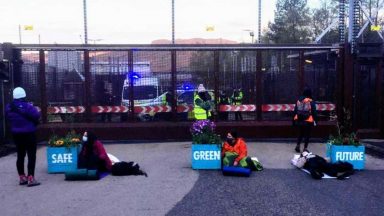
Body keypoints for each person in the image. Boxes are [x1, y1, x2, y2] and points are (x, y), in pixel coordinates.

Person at [5, 87, 41, 187]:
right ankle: (31, 178)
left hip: (16, 134)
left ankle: (22, 177)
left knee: (20, 155)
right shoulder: (28, 106)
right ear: (24, 95)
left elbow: (8, 116)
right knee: (31, 155)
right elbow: (36, 115)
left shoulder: (9, 107)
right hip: (29, 133)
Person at [293, 87, 318, 153]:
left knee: (300, 133)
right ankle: (305, 148)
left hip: (299, 120)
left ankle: (298, 145)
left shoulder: (299, 100)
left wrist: (293, 121)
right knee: (307, 135)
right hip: (308, 121)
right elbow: (314, 112)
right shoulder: (311, 101)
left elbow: (295, 111)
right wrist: (315, 120)